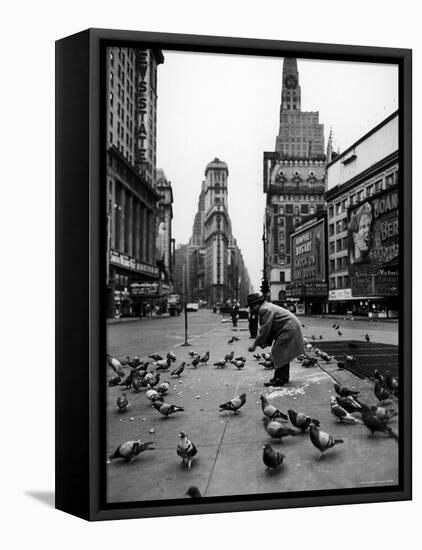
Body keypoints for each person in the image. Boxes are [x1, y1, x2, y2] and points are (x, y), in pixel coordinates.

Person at [247, 293, 304, 387]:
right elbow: (272, 328)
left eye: (252, 306)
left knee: (278, 351)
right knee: (283, 352)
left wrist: (255, 344)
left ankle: (279, 378)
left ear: (256, 304)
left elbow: (264, 330)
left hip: (289, 328)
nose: (252, 309)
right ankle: (284, 377)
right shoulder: (267, 306)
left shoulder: (264, 309)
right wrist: (266, 342)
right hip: (290, 326)